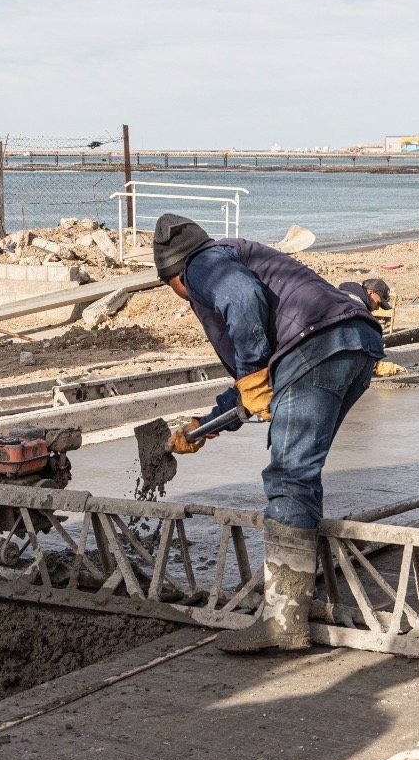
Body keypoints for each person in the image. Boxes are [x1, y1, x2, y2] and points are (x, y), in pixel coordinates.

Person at [154, 214, 386, 653]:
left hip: (317, 347)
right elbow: (257, 378)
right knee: (301, 475)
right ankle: (297, 603)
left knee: (289, 477)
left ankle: (283, 621)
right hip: (354, 343)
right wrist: (206, 424)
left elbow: (242, 303)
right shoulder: (245, 260)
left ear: (174, 277)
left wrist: (251, 375)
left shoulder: (202, 263)